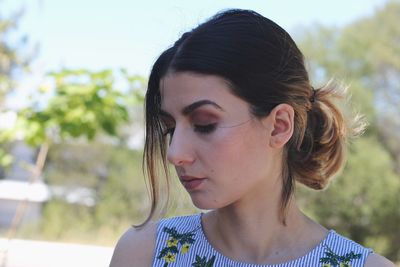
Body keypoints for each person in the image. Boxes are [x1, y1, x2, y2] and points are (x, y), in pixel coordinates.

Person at [110, 9, 395, 267]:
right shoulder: (145, 254)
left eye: (204, 124)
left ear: (279, 126)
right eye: (171, 129)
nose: (175, 153)